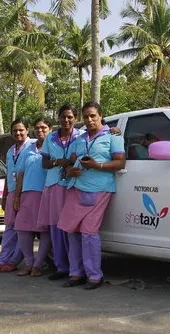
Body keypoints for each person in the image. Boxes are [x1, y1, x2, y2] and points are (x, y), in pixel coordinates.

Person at [57, 101, 126, 290]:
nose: (89, 120)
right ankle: (75, 273)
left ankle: (94, 276)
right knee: (71, 231)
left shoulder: (113, 136)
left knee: (89, 232)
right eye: (86, 116)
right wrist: (70, 170)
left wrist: (98, 166)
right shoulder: (79, 139)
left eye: (93, 116)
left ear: (100, 116)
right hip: (76, 188)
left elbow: (120, 163)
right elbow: (70, 162)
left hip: (99, 189)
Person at [39, 104, 82, 281]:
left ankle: (75, 268)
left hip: (73, 184)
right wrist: (58, 161)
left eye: (70, 117)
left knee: (70, 228)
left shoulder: (81, 136)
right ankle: (61, 266)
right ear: (58, 118)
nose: (66, 120)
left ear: (76, 118)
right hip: (55, 185)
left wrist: (115, 130)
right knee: (56, 228)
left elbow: (103, 130)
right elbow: (45, 163)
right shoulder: (50, 138)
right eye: (63, 117)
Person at [0, 118, 31, 273]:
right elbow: (8, 175)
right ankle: (4, 260)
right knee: (9, 228)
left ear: (27, 130)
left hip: (27, 192)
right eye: (15, 130)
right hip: (12, 192)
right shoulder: (10, 151)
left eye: (21, 130)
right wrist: (5, 196)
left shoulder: (33, 148)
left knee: (23, 229)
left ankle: (13, 261)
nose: (18, 133)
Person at [13, 118, 52, 277]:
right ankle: (29, 263)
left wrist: (112, 130)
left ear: (50, 129)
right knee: (22, 229)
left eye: (44, 127)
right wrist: (17, 196)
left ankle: (38, 265)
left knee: (45, 231)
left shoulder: (55, 146)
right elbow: (20, 173)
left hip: (46, 193)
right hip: (27, 194)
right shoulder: (28, 148)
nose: (40, 130)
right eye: (37, 127)